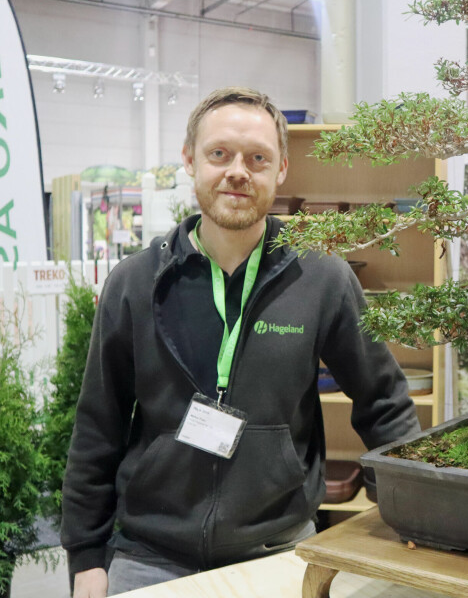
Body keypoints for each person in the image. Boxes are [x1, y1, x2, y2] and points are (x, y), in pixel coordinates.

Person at [61, 87, 421, 597]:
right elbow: (99, 425)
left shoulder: (323, 279)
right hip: (147, 556)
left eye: (257, 158)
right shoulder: (136, 283)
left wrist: (408, 519)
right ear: (190, 160)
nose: (237, 171)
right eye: (219, 154)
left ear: (281, 170)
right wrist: (86, 557)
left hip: (281, 550)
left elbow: (385, 404)